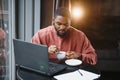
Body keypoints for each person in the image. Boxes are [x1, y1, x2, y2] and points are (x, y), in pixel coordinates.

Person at [32, 7, 97, 65]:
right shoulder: (40, 35)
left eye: (66, 24)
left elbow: (93, 58)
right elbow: (30, 56)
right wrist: (46, 51)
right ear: (53, 20)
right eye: (59, 24)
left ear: (70, 22)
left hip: (72, 73)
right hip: (47, 70)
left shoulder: (80, 36)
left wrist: (80, 56)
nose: (62, 27)